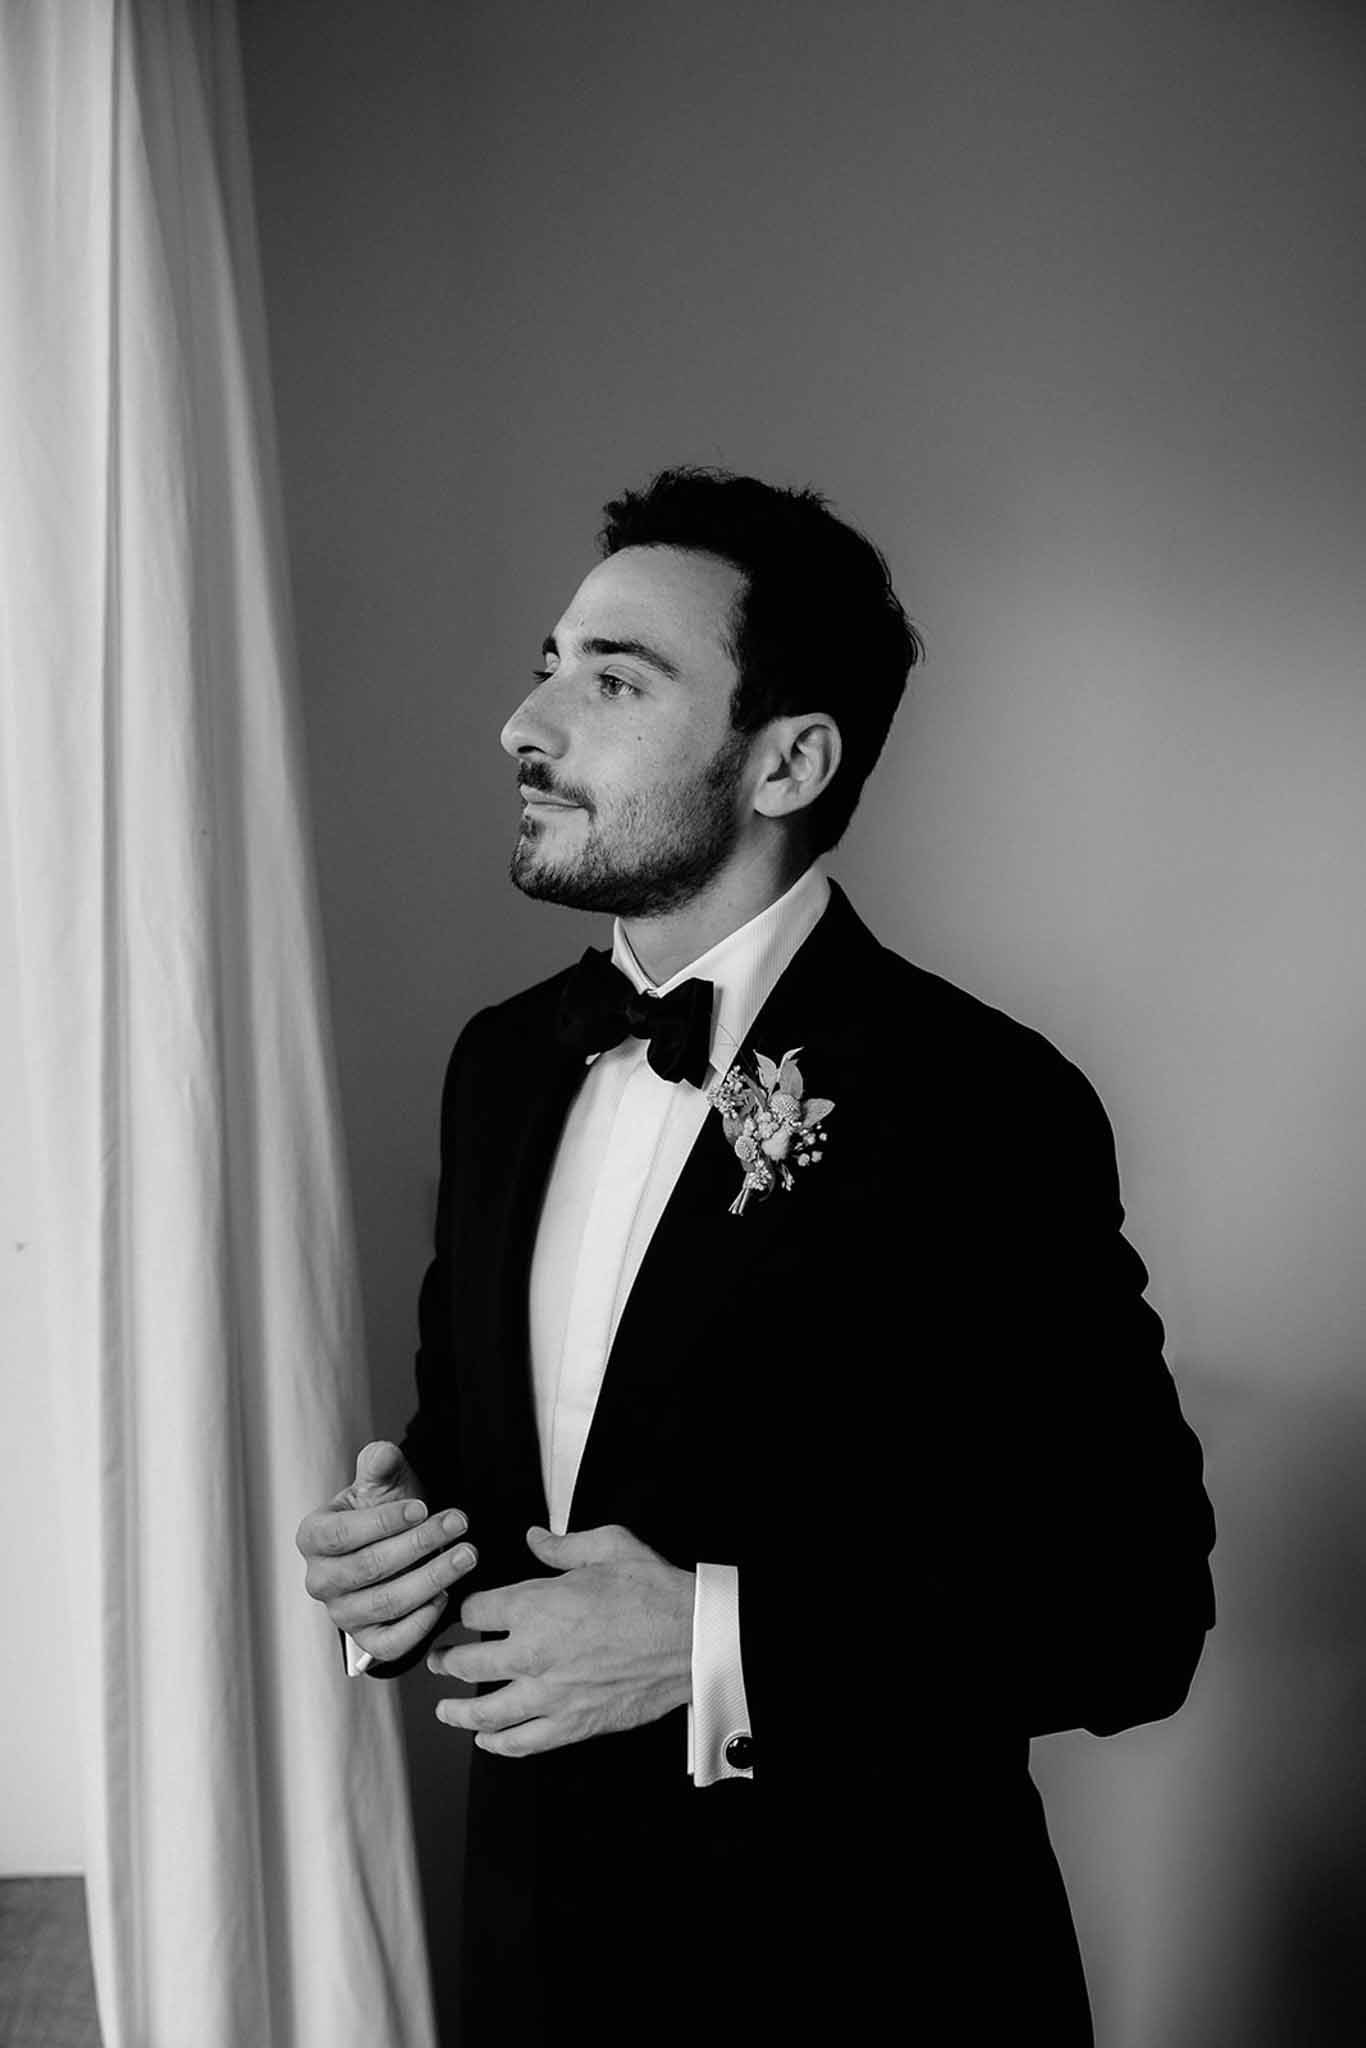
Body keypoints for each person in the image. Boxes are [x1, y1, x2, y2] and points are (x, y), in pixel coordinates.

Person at [297, 467, 1216, 2046]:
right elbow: (491, 1472)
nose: (525, 724)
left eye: (612, 679)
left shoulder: (983, 1100)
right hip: (538, 1968)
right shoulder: (503, 1064)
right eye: (548, 664)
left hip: (869, 1973)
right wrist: (398, 1567)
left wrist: (715, 1640)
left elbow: (1132, 1611)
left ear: (785, 757)